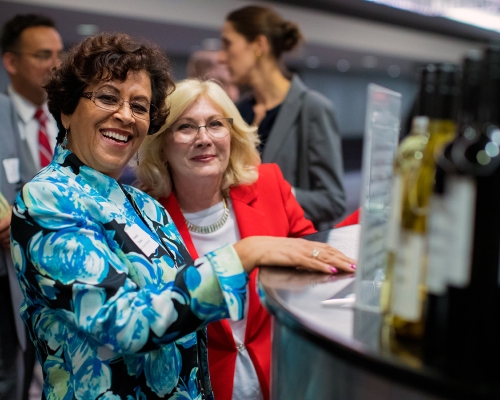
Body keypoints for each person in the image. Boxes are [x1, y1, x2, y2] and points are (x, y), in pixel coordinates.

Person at [10, 32, 356, 399]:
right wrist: (243, 254)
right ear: (66, 110)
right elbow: (123, 324)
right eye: (108, 98)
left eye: (139, 106)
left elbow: (183, 315)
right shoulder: (49, 198)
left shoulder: (143, 206)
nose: (125, 116)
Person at [136, 78, 357, 400]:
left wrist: (373, 215)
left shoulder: (268, 184)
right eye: (185, 127)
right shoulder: (143, 216)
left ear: (233, 133)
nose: (204, 139)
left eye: (215, 124)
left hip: (280, 377)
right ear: (162, 144)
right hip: (199, 387)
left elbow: (311, 252)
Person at [220, 5, 346, 229]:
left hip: (293, 247)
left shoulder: (312, 108)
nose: (222, 56)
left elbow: (333, 201)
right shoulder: (236, 110)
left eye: (228, 43)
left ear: (259, 45)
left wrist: (273, 191)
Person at [0, 13, 63, 399]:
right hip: (10, 278)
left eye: (59, 52)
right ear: (11, 62)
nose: (57, 64)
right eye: (43, 54)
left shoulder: (70, 119)